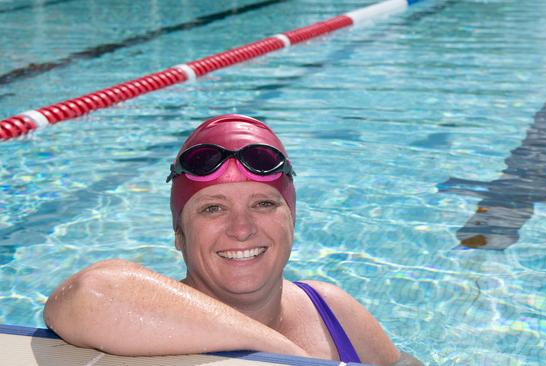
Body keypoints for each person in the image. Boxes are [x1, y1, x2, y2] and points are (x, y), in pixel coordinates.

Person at [44, 114, 423, 366]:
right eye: (212, 208)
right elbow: (87, 292)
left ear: (291, 221)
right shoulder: (139, 323)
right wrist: (284, 354)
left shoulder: (333, 310)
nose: (242, 229)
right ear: (179, 234)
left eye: (263, 203)